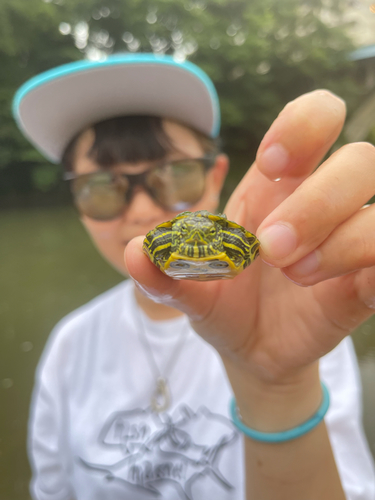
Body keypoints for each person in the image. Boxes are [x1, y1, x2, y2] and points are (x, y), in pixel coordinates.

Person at [13, 53, 375, 500]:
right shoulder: (70, 346)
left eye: (174, 176)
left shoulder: (301, 323)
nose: (143, 210)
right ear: (75, 198)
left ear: (215, 175)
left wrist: (278, 390)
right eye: (103, 187)